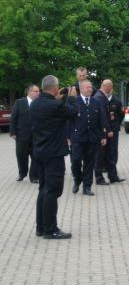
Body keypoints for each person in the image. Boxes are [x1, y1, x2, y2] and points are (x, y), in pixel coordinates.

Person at [30, 75, 78, 239]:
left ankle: (41, 227)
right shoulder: (55, 106)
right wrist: (71, 99)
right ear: (56, 88)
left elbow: (54, 110)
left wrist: (58, 99)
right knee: (52, 190)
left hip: (40, 152)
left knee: (43, 189)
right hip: (54, 154)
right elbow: (73, 113)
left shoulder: (36, 103)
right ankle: (51, 229)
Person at [68, 80, 107, 196]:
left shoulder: (96, 102)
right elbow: (68, 120)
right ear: (81, 88)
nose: (90, 89)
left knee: (89, 163)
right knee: (75, 160)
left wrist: (103, 135)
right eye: (87, 87)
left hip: (92, 138)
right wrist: (67, 136)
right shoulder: (75, 101)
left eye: (91, 87)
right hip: (77, 137)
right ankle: (77, 179)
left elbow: (102, 119)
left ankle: (87, 187)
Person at [10, 84, 40, 183]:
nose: (38, 93)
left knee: (36, 156)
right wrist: (13, 132)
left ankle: (34, 176)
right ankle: (22, 173)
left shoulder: (40, 103)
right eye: (36, 91)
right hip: (21, 135)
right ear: (29, 92)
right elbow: (13, 118)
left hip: (36, 135)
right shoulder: (19, 102)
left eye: (38, 91)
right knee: (21, 156)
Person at [104, 81, 125, 183]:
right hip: (102, 130)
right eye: (106, 86)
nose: (108, 89)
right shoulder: (100, 99)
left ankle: (113, 175)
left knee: (112, 152)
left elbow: (121, 115)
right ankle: (100, 173)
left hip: (113, 130)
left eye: (110, 86)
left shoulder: (117, 101)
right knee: (101, 153)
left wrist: (116, 124)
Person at [94, 79, 113, 185]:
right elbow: (102, 116)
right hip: (101, 131)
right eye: (111, 86)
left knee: (102, 155)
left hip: (101, 130)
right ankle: (99, 177)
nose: (111, 89)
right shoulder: (100, 97)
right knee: (99, 155)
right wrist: (108, 130)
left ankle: (102, 176)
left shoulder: (100, 96)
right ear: (107, 86)